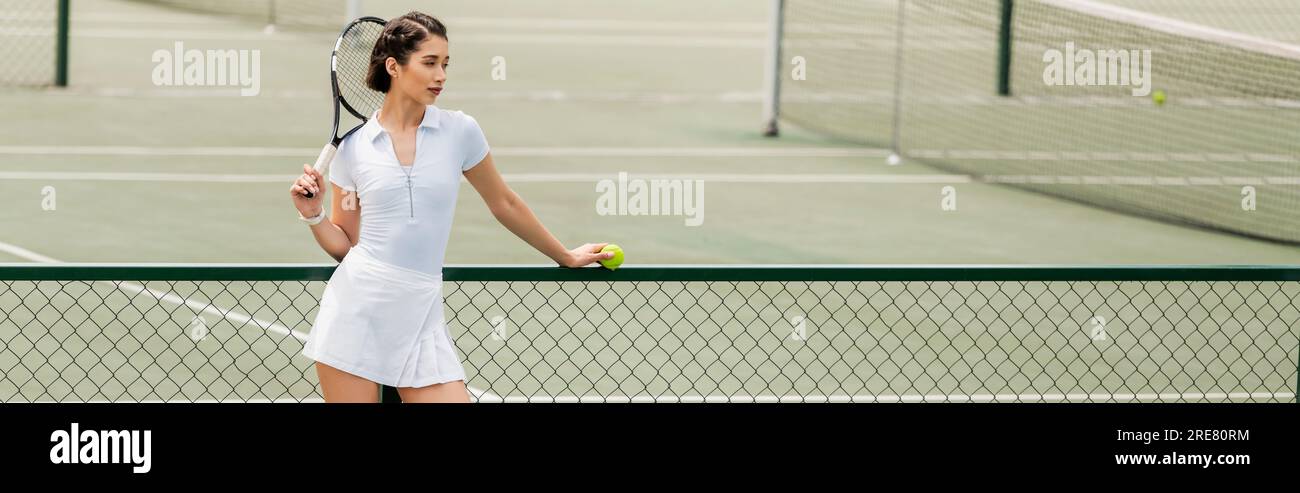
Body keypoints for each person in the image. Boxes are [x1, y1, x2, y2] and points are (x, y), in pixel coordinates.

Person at [288, 11, 615, 403]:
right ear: (394, 66)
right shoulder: (353, 149)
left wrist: (564, 254)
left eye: (445, 64)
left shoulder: (460, 132)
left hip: (422, 315)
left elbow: (504, 202)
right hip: (356, 313)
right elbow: (346, 244)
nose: (441, 75)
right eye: (429, 63)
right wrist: (314, 214)